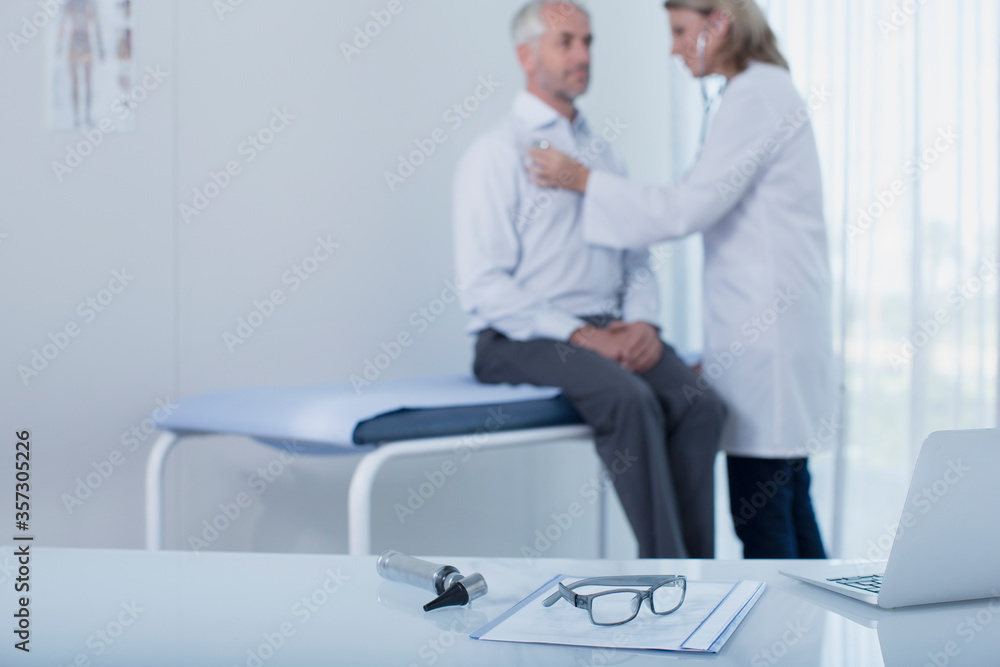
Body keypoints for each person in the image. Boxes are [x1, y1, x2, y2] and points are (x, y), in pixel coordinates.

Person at [528, 0, 834, 559]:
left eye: (679, 31)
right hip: (771, 339)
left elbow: (686, 210)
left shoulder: (754, 95)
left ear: (719, 22)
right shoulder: (762, 92)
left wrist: (582, 180)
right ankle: (815, 642)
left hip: (771, 346)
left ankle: (781, 647)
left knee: (764, 517)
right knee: (788, 504)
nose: (672, 49)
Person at [453, 0, 726, 559]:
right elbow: (483, 286)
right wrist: (581, 335)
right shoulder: (495, 154)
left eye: (588, 41)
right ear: (526, 56)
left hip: (608, 328)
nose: (583, 54)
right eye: (566, 42)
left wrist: (644, 322)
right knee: (629, 399)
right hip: (519, 338)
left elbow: (636, 258)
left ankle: (704, 580)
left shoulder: (603, 155)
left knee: (700, 404)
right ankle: (669, 579)